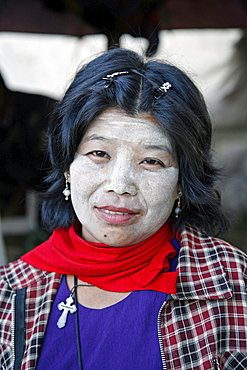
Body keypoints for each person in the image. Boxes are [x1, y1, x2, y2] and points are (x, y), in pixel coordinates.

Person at [1, 48, 247, 370]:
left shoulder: (233, 286)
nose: (120, 185)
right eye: (99, 153)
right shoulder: (12, 293)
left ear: (181, 183)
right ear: (67, 167)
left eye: (151, 161)